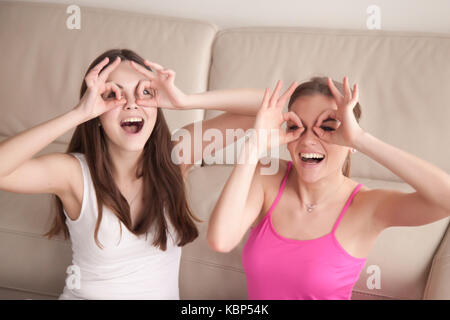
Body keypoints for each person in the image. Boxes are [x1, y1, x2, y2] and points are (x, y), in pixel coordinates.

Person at [0, 48, 296, 300]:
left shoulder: (177, 155)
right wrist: (78, 114)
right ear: (97, 115)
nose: (131, 103)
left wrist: (185, 101)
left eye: (144, 92)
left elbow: (271, 106)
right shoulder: (75, 173)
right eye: (112, 95)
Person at [207, 77, 450, 300]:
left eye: (328, 127)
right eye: (296, 127)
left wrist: (361, 139)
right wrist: (253, 148)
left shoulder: (366, 206)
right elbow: (221, 240)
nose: (308, 140)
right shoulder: (267, 176)